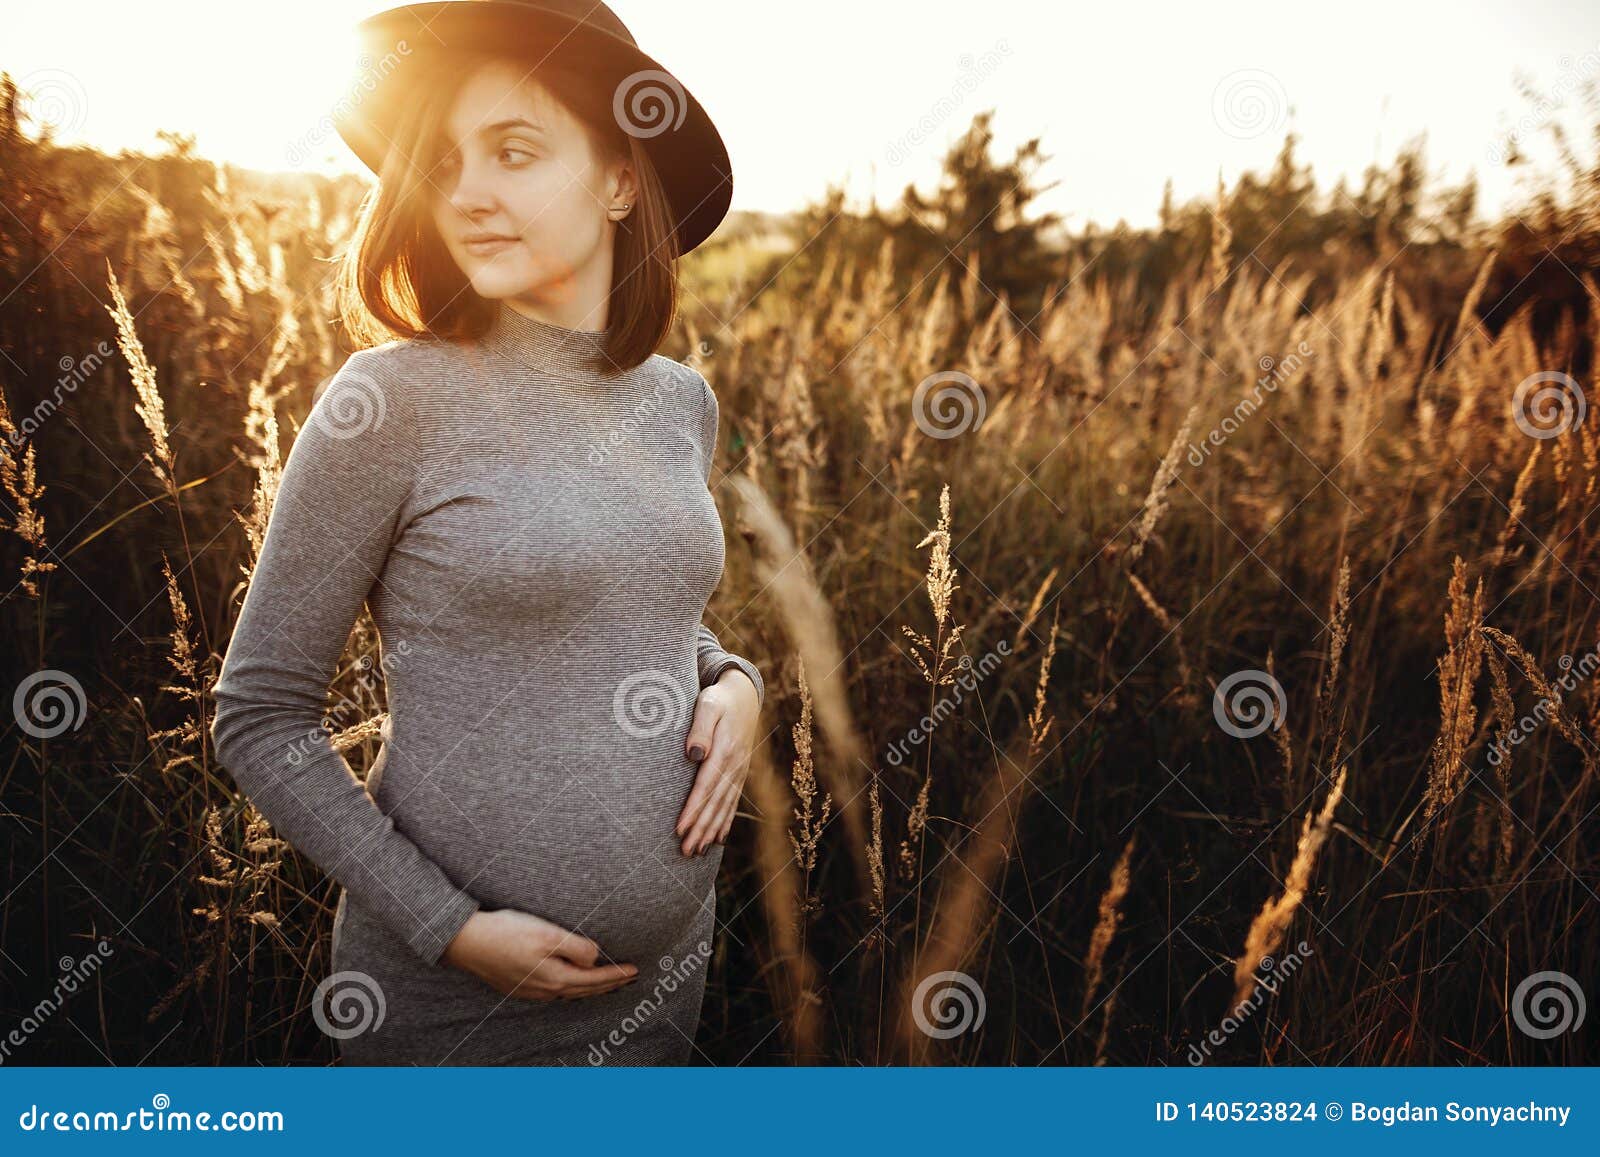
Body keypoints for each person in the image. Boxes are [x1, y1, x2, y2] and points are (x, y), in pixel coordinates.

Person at [209, 0, 763, 1065]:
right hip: (453, 1013)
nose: (466, 195)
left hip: (660, 989)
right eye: (446, 162)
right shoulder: (391, 403)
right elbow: (260, 715)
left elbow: (635, 609)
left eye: (513, 151)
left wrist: (734, 678)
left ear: (617, 177)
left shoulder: (678, 402)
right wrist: (450, 928)